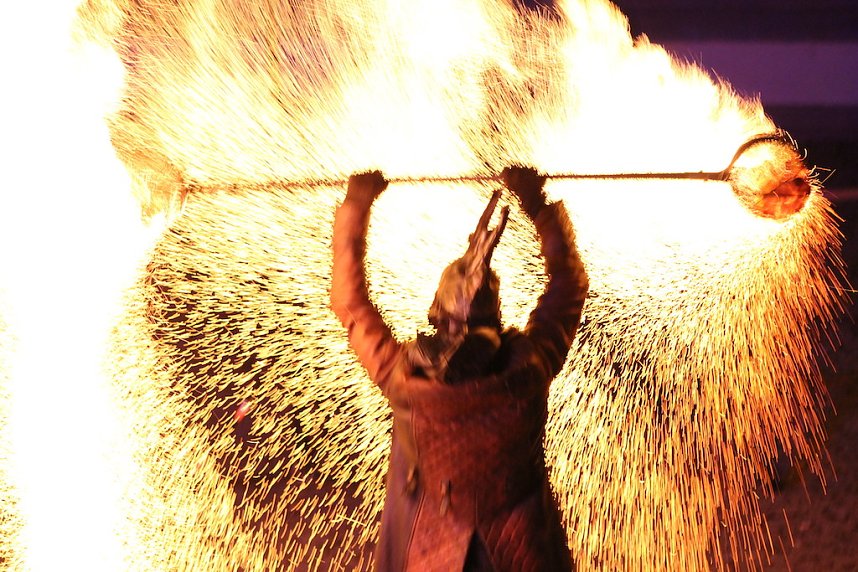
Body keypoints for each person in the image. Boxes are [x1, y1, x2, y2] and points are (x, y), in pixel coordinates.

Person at [330, 166, 588, 571]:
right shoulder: (531, 366)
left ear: (437, 314)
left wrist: (356, 206)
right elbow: (569, 285)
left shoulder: (405, 378)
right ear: (495, 316)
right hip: (521, 556)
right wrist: (536, 203)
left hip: (427, 558)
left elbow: (349, 303)